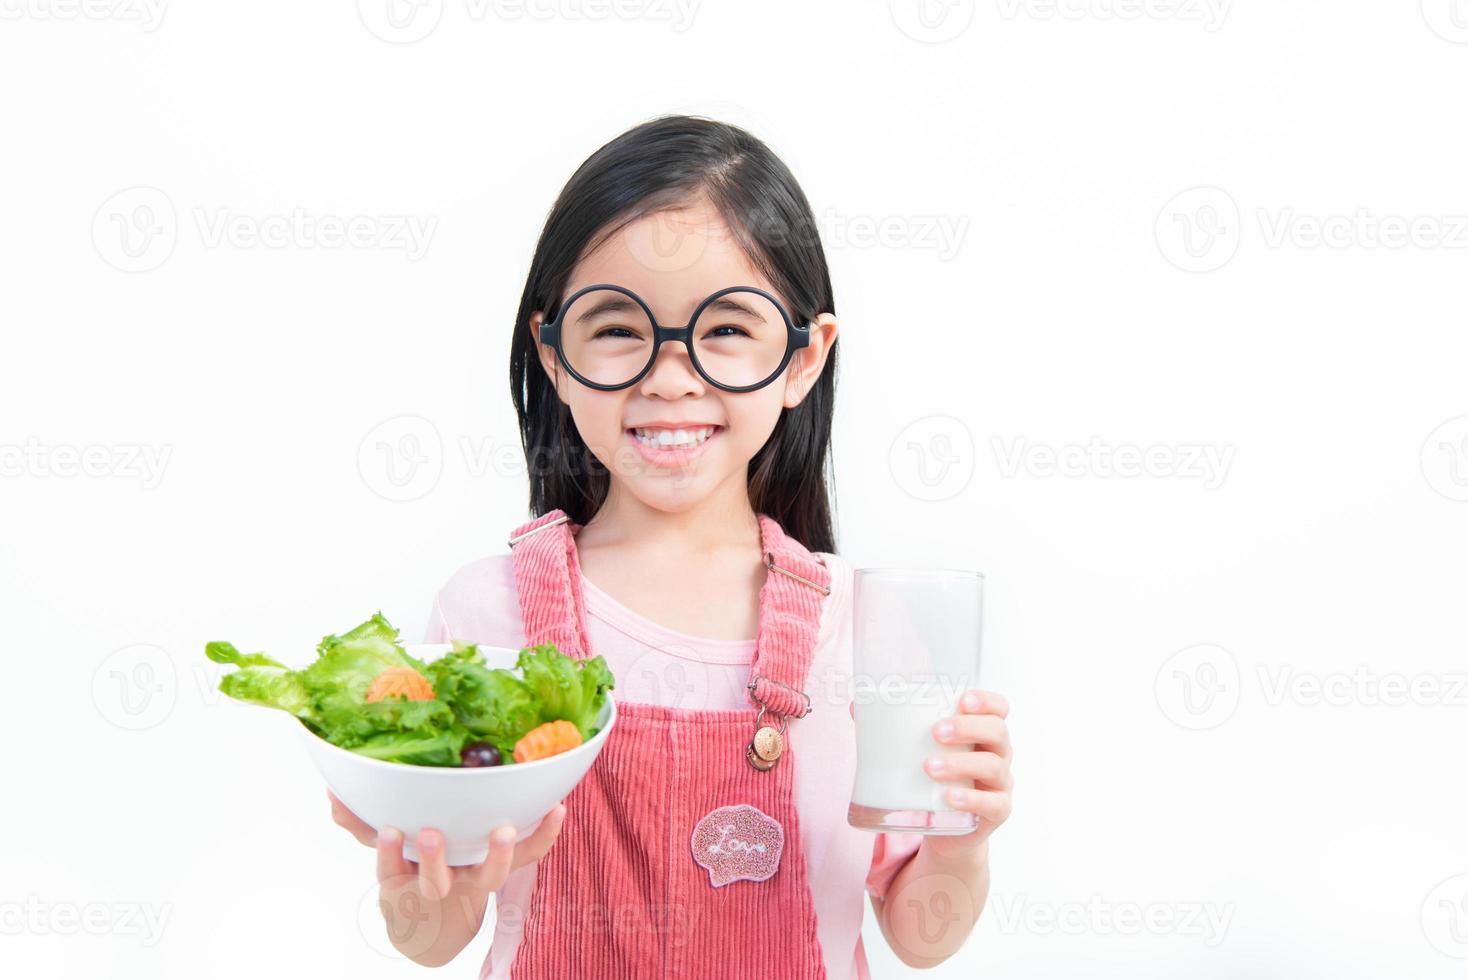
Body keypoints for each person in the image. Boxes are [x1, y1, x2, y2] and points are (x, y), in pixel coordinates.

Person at [329, 113, 1015, 978]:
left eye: (728, 329)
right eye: (617, 328)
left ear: (805, 358)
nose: (669, 375)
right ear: (553, 352)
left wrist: (963, 841)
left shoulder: (858, 620)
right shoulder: (483, 616)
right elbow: (430, 943)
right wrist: (425, 891)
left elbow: (920, 935)